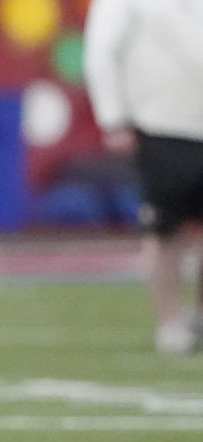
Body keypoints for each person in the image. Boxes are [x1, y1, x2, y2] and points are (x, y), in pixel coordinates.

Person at [84, 0, 203, 354]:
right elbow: (101, 52)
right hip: (161, 123)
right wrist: (114, 117)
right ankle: (169, 323)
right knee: (165, 227)